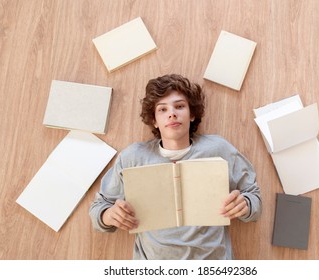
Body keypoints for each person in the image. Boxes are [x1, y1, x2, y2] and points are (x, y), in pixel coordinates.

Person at [89, 74, 262, 259]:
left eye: (179, 106)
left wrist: (246, 205)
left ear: (192, 114)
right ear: (154, 120)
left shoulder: (219, 149)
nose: (172, 113)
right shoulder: (132, 157)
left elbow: (255, 200)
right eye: (162, 109)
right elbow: (98, 209)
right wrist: (109, 215)